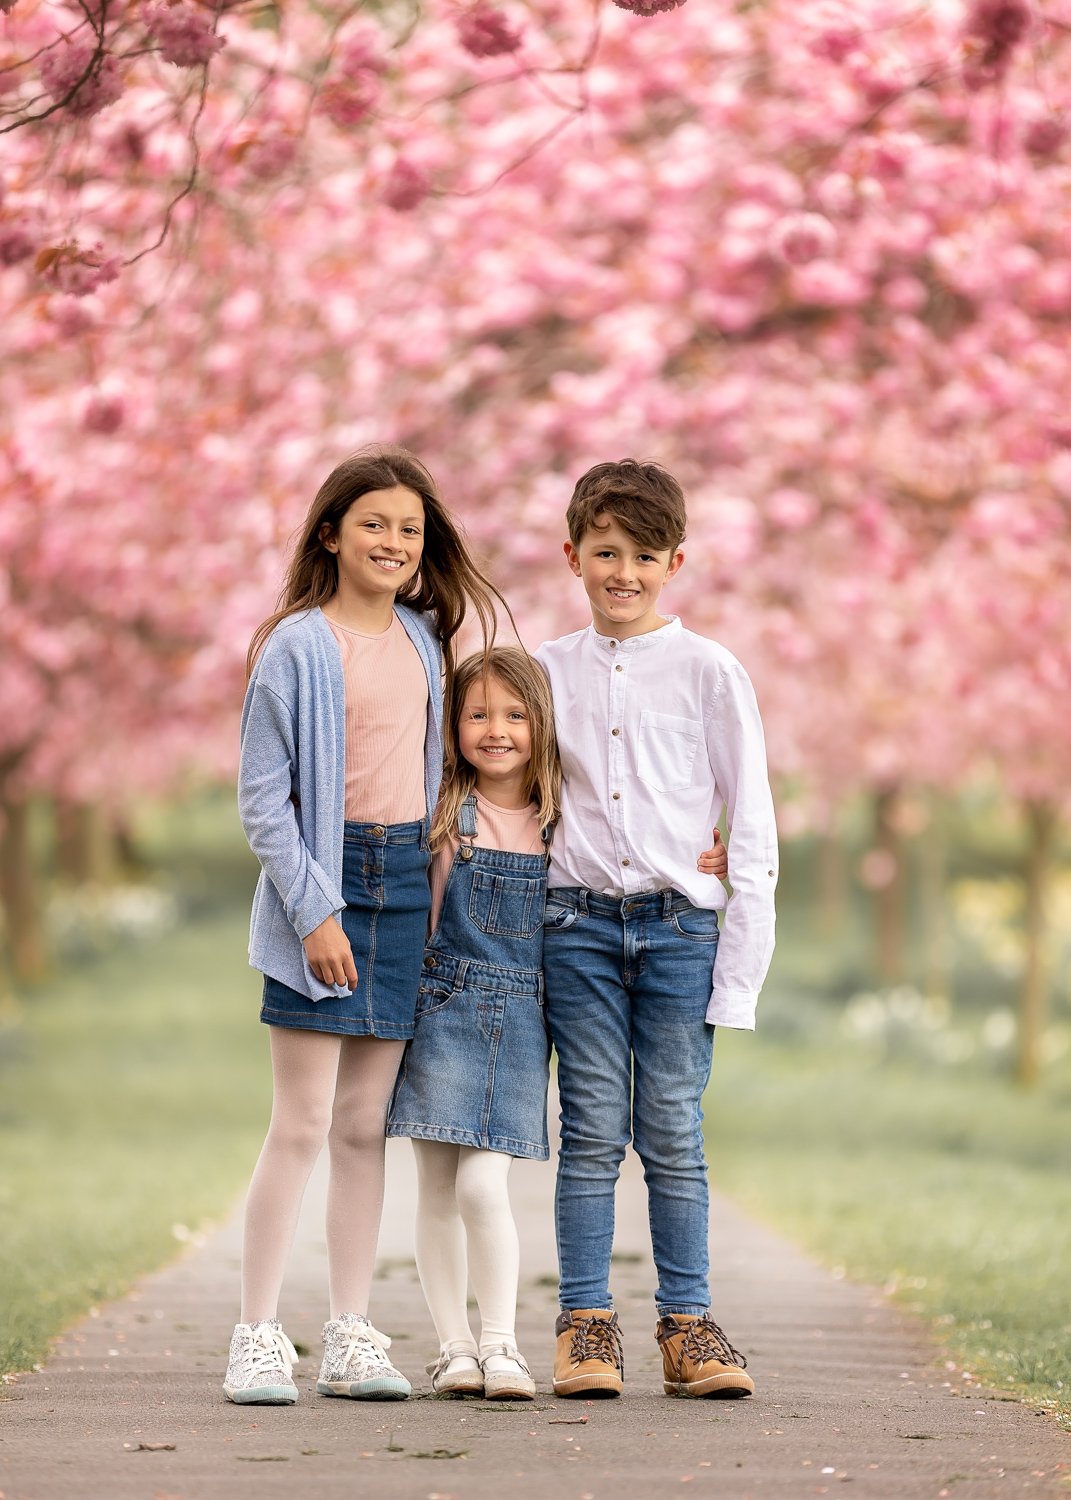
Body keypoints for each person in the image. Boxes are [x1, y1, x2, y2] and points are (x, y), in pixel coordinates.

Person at [223, 444, 505, 1406]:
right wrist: (314, 913)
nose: (392, 541)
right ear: (332, 533)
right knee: (299, 1123)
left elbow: (442, 780)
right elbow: (264, 805)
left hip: (401, 884)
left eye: (410, 530)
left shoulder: (426, 646)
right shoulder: (296, 646)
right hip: (323, 880)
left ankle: (349, 1334)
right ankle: (257, 1335)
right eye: (374, 523)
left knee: (361, 1128)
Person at [386, 647, 729, 1402]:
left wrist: (704, 852)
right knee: (436, 1188)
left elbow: (628, 836)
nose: (496, 729)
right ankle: (455, 1349)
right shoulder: (443, 812)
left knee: (482, 1185)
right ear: (453, 725)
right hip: (442, 1013)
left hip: (519, 1021)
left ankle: (503, 1343)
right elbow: (421, 920)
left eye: (514, 716)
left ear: (543, 727)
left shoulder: (559, 819)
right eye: (477, 714)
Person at [535, 459, 778, 1402]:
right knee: (591, 1129)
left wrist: (741, 969)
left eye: (641, 554)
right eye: (604, 552)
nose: (621, 572)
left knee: (673, 1131)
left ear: (675, 560)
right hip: (577, 928)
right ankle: (586, 1326)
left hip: (681, 932)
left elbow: (748, 818)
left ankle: (687, 1326)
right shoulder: (546, 671)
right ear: (572, 556)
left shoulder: (710, 671)